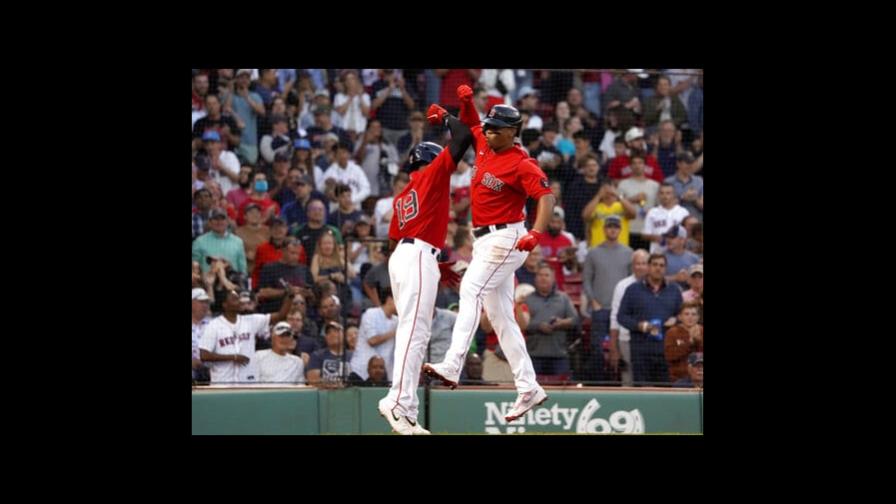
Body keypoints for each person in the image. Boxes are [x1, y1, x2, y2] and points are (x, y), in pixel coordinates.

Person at [422, 85, 555, 423]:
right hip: (483, 239)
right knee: (501, 317)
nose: (490, 130)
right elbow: (471, 126)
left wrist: (537, 232)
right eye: (490, 125)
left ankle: (453, 364)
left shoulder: (521, 162)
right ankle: (529, 387)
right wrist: (458, 109)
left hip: (507, 236)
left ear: (513, 132)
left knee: (470, 290)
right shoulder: (484, 144)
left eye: (497, 127)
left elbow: (546, 197)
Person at [375, 100, 473, 436]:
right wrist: (446, 117)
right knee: (415, 332)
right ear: (431, 161)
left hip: (406, 256)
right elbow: (463, 136)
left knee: (415, 330)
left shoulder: (403, 194)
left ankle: (409, 411)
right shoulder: (433, 174)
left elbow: (393, 242)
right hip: (417, 256)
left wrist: (431, 259)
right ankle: (397, 400)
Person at [198, 287, 297, 384]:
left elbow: (280, 315)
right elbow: (204, 355)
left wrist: (290, 296)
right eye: (235, 299)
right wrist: (233, 357)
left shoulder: (251, 320)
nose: (240, 301)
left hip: (248, 382)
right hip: (222, 382)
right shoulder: (213, 325)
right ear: (225, 304)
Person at [617, 253, 683, 385]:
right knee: (642, 392)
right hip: (641, 351)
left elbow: (682, 316)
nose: (658, 268)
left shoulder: (674, 290)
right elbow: (621, 316)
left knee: (665, 392)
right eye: (655, 265)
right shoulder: (633, 289)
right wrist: (639, 326)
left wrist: (675, 320)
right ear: (648, 267)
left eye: (662, 265)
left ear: (666, 269)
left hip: (666, 351)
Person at [581, 215, 633, 382]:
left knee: (622, 350)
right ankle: (599, 384)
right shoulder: (593, 252)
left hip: (622, 312)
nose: (612, 229)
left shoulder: (628, 252)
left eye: (616, 227)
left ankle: (622, 385)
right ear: (604, 229)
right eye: (609, 226)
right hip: (601, 309)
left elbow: (632, 280)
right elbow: (586, 280)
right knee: (598, 351)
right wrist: (593, 302)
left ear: (620, 229)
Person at [524, 264, 578, 380]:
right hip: (533, 355)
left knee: (562, 391)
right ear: (535, 278)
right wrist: (538, 326)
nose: (543, 278)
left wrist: (560, 323)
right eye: (540, 275)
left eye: (547, 275)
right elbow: (521, 324)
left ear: (553, 279)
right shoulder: (527, 299)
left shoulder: (563, 298)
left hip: (559, 355)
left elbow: (575, 320)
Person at [350, 288, 398, 381]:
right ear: (389, 299)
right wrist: (395, 332)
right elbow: (372, 340)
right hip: (361, 372)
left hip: (383, 375)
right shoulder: (371, 314)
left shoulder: (397, 320)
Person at [192, 209, 247, 275]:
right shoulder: (199, 241)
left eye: (222, 219)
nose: (219, 222)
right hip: (207, 282)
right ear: (210, 222)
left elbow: (243, 269)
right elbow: (194, 267)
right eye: (216, 219)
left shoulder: (238, 242)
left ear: (227, 221)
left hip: (233, 282)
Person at [664, 302, 704, 382]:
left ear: (698, 317)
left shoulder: (702, 331)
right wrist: (690, 342)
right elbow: (670, 356)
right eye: (686, 314)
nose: (690, 317)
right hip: (680, 378)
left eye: (694, 314)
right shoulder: (672, 332)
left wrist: (699, 342)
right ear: (680, 317)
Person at [306, 321, 353, 385]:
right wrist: (333, 385)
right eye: (328, 332)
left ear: (344, 335)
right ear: (325, 337)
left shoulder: (353, 356)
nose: (332, 334)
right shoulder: (317, 355)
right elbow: (313, 380)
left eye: (336, 331)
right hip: (325, 393)